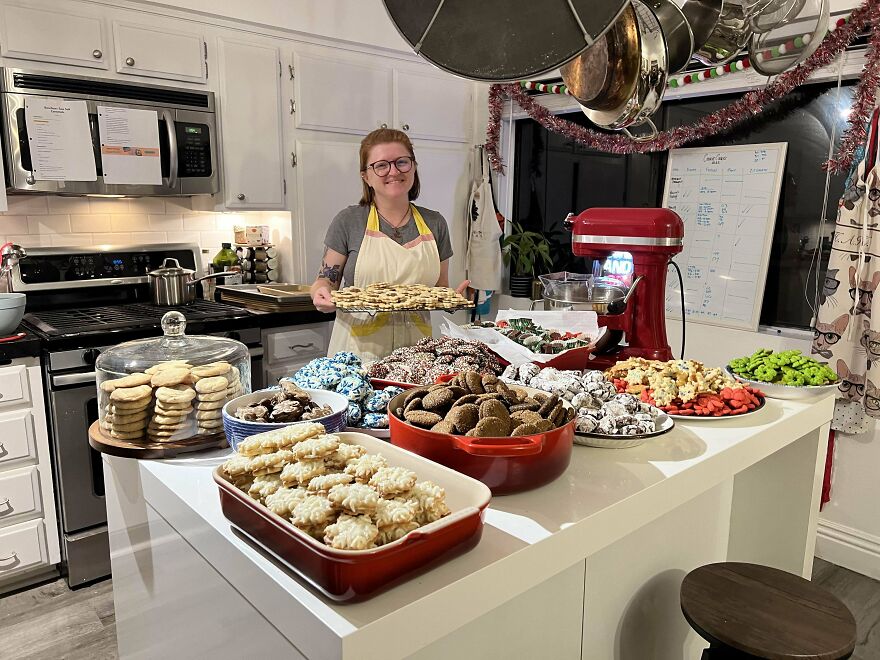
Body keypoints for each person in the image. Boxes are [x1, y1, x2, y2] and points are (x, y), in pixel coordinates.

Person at [311, 128, 468, 361]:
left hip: (416, 353)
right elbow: (325, 281)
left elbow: (439, 288)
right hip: (358, 353)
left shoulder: (435, 223)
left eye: (401, 162)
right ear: (366, 176)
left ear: (413, 167)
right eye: (381, 165)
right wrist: (320, 294)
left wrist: (451, 300)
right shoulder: (349, 221)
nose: (393, 171)